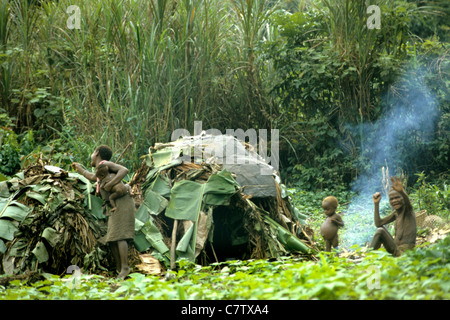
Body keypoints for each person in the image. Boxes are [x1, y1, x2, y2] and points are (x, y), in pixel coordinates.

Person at [72, 145, 135, 279]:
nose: (91, 155)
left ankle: (125, 268)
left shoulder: (105, 164)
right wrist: (80, 169)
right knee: (112, 238)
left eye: (92, 152)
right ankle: (119, 269)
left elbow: (124, 170)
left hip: (121, 202)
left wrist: (112, 183)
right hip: (114, 205)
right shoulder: (101, 170)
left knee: (120, 235)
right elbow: (92, 177)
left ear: (97, 153)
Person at [369, 176, 416, 257]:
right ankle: (370, 256)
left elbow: (408, 202)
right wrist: (376, 204)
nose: (394, 201)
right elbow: (378, 223)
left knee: (380, 231)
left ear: (403, 198)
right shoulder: (396, 213)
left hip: (404, 252)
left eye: (397, 197)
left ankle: (368, 257)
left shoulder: (408, 210)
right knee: (380, 229)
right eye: (391, 199)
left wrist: (401, 192)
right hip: (395, 248)